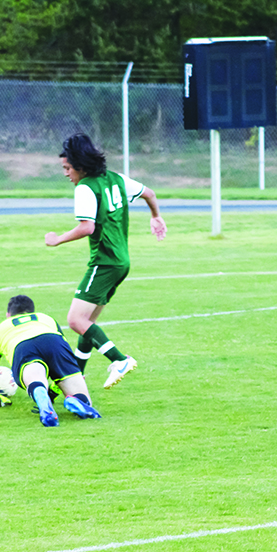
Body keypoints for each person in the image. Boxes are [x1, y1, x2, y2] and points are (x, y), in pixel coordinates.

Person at [45, 133, 167, 390]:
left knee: (76, 321)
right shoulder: (116, 179)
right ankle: (75, 379)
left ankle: (119, 360)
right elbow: (150, 193)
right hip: (121, 261)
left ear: (80, 166)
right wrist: (155, 216)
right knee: (87, 323)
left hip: (104, 261)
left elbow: (87, 227)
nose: (66, 174)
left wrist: (57, 240)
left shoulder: (85, 188)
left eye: (67, 168)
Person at [0, 295, 102, 427]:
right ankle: (76, 400)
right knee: (84, 400)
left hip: (22, 346)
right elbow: (62, 361)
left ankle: (40, 393)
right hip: (54, 341)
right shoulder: (46, 319)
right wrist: (52, 394)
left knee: (35, 376)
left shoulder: (0, 329)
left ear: (8, 314)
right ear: (32, 311)